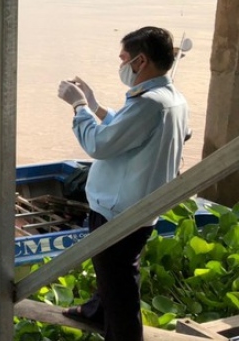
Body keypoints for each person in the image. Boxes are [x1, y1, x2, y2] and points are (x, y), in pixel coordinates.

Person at [56, 26, 189, 341]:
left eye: (123, 58)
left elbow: (100, 145)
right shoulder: (169, 99)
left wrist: (79, 108)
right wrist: (96, 104)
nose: (121, 65)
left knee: (120, 287)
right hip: (139, 206)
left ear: (140, 61)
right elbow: (131, 130)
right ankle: (97, 311)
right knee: (114, 275)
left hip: (119, 213)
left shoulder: (149, 103)